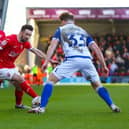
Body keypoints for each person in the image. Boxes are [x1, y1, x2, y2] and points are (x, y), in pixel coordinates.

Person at [28, 12, 120, 113]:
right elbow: (96, 48)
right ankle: (112, 105)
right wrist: (104, 65)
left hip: (72, 59)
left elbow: (52, 46)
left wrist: (46, 61)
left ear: (63, 21)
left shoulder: (61, 29)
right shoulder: (83, 31)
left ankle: (41, 108)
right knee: (97, 86)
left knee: (50, 80)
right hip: (87, 60)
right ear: (73, 21)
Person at [0, 24, 47, 109]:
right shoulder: (10, 40)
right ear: (21, 32)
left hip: (10, 67)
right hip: (1, 67)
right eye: (26, 34)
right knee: (20, 79)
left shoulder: (25, 43)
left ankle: (18, 105)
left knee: (19, 85)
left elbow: (34, 50)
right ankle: (37, 98)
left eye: (29, 35)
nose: (28, 37)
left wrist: (47, 58)